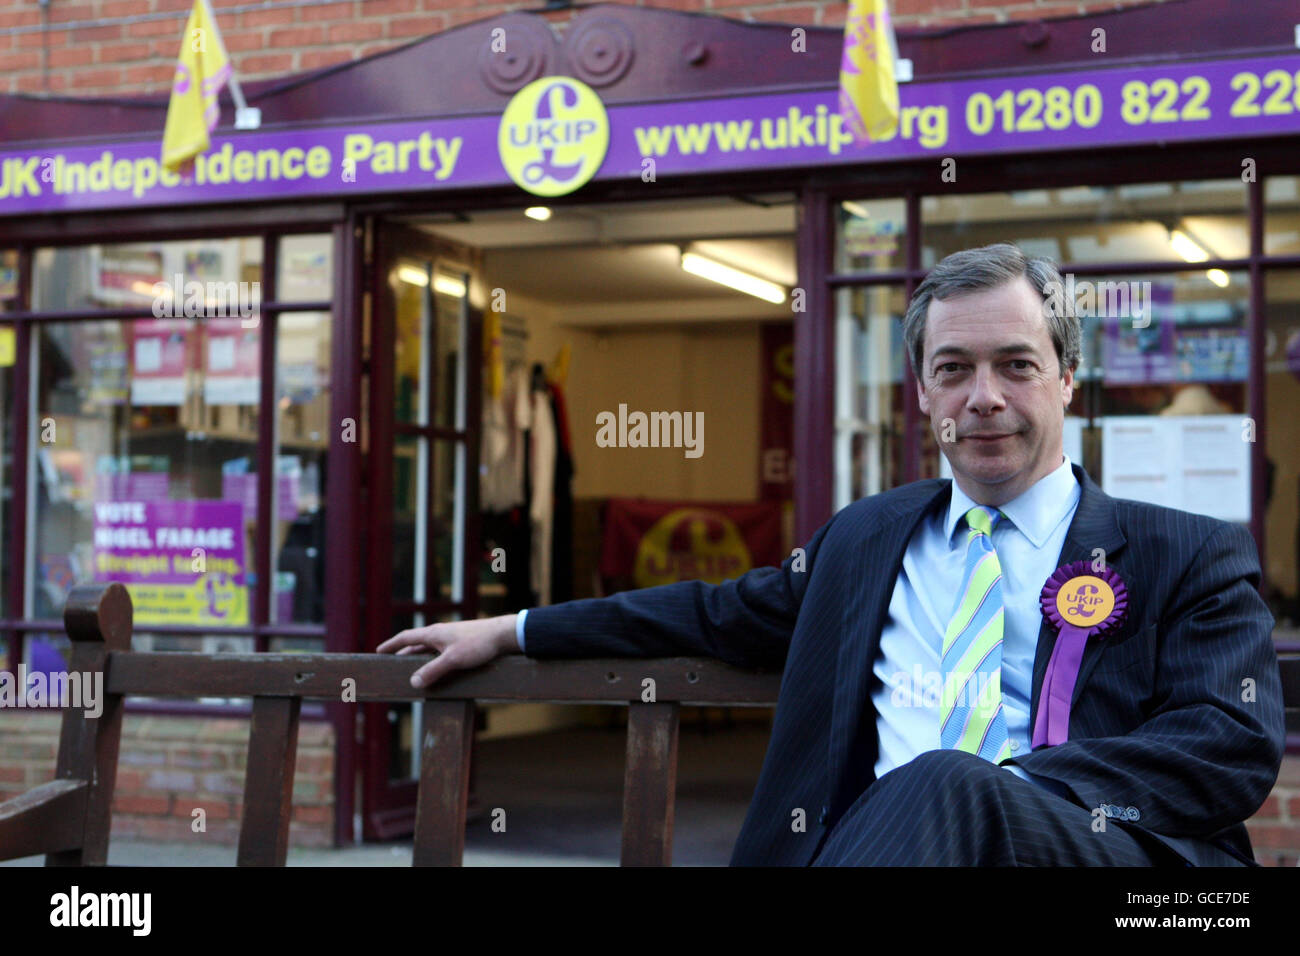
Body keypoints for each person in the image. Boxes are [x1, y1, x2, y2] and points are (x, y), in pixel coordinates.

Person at [379, 243, 1285, 867]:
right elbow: (713, 612)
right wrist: (514, 626)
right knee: (933, 793)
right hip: (892, 853)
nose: (983, 398)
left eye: (1016, 365)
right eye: (953, 370)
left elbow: (1228, 746)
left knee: (948, 782)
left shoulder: (1187, 553)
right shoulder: (865, 539)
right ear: (922, 391)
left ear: (1067, 380)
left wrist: (1009, 788)